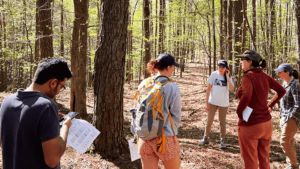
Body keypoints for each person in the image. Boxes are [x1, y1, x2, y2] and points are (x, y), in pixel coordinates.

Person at [0, 58, 73, 169]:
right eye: (62, 87)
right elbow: (52, 160)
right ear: (53, 83)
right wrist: (65, 127)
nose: (58, 92)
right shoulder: (46, 107)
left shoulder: (7, 102)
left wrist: (49, 121)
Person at [235, 50, 286, 169]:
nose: (241, 62)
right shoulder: (265, 76)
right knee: (264, 158)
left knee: (251, 160)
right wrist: (270, 105)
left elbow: (247, 95)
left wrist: (240, 113)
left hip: (251, 125)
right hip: (266, 125)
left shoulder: (248, 76)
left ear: (250, 61)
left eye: (243, 59)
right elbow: (281, 90)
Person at [138, 53, 181, 169]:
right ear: (168, 68)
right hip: (164, 138)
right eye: (173, 67)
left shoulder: (144, 84)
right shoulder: (172, 87)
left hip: (144, 137)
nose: (173, 70)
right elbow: (176, 115)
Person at [270, 63, 300, 169]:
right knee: (289, 142)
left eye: (280, 72)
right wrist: (271, 105)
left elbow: (298, 104)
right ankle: (291, 164)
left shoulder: (294, 86)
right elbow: (279, 95)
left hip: (291, 118)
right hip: (284, 116)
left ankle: (294, 164)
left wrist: (290, 117)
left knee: (284, 141)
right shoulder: (285, 83)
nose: (278, 74)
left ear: (287, 73)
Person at [198, 60, 234, 149]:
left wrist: (228, 78)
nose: (221, 69)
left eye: (223, 67)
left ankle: (222, 140)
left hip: (223, 103)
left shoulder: (228, 76)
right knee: (209, 120)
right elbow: (208, 89)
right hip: (213, 102)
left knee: (222, 122)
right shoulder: (214, 74)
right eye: (219, 67)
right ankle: (205, 138)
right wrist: (206, 102)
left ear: (226, 68)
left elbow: (231, 89)